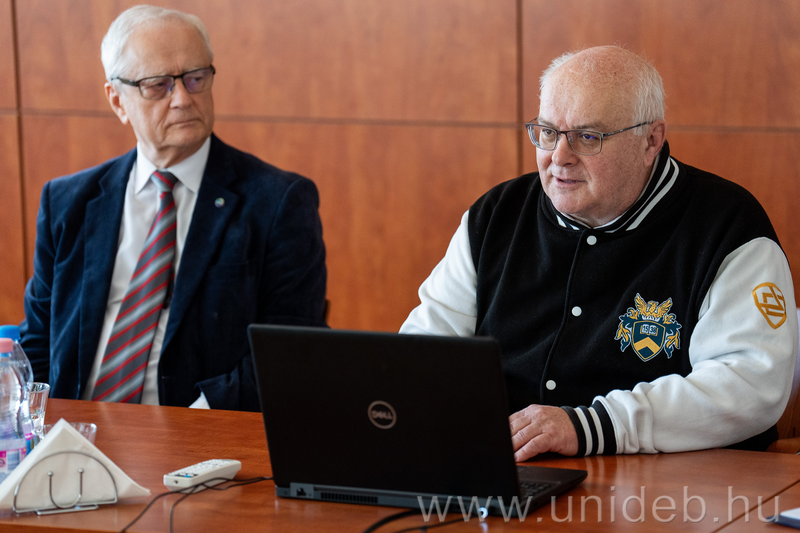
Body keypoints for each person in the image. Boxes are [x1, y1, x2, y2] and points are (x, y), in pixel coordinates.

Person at [400, 45, 798, 459]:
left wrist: (590, 427)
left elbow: (750, 384)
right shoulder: (495, 216)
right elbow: (421, 353)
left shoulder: (728, 228)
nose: (559, 157)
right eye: (548, 133)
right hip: (506, 470)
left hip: (666, 484)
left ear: (651, 141)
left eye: (588, 137)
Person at [19, 5, 326, 411]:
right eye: (158, 85)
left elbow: (289, 350)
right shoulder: (67, 201)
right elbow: (38, 341)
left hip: (200, 432)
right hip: (77, 428)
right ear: (117, 100)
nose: (182, 99)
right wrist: (43, 428)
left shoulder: (277, 202)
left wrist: (189, 427)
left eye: (195, 78)